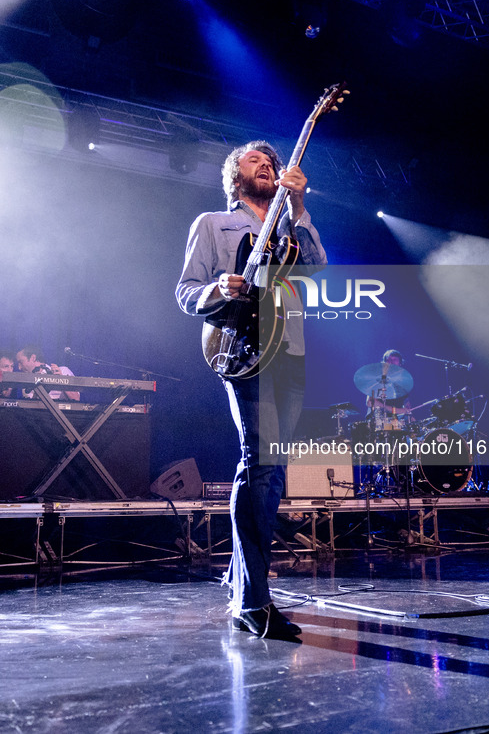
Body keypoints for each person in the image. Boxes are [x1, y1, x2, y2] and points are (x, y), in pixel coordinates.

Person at [176, 141, 326, 640]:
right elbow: (186, 291)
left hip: (293, 348)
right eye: (254, 162)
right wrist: (220, 288)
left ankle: (245, 585)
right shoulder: (213, 225)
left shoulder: (288, 225)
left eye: (271, 162)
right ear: (234, 178)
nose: (267, 165)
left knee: (273, 468)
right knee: (261, 463)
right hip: (244, 347)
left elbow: (318, 265)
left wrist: (300, 207)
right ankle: (254, 600)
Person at [16, 346, 80, 401]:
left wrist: (62, 379)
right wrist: (37, 392)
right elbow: (32, 409)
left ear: (33, 358)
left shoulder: (63, 371)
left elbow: (76, 398)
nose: (19, 367)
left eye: (21, 362)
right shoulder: (26, 384)